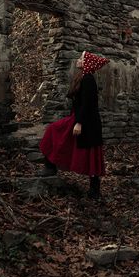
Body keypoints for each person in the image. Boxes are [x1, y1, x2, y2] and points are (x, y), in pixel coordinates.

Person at [38, 50, 109, 199]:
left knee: (90, 154)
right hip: (80, 118)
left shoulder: (88, 79)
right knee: (55, 131)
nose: (78, 60)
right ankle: (50, 166)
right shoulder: (82, 76)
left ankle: (95, 191)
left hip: (87, 122)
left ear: (86, 63)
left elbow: (87, 104)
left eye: (81, 58)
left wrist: (79, 123)